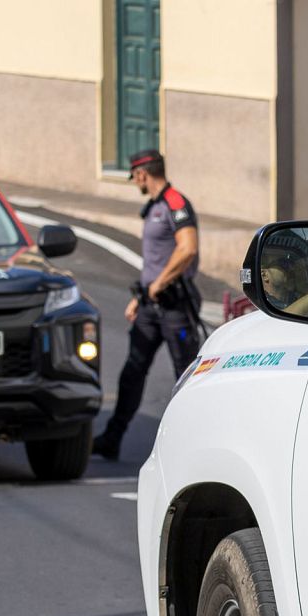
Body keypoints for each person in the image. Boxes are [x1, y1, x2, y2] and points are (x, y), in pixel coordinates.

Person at [92, 149, 203, 461]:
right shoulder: (154, 206)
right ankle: (112, 439)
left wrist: (158, 284)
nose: (135, 182)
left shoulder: (175, 203)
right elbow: (155, 261)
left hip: (174, 306)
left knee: (186, 375)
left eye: (135, 177)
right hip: (149, 307)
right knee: (133, 371)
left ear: (142, 173)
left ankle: (193, 444)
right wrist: (140, 296)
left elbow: (188, 249)